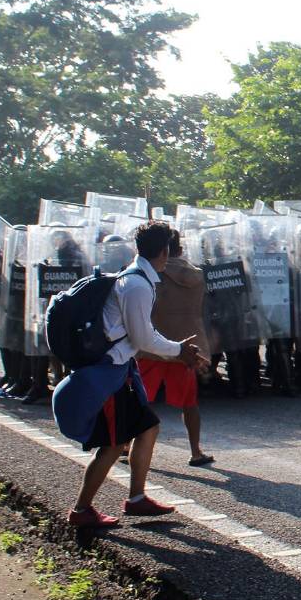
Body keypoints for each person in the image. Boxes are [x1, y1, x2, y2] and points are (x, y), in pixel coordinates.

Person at [52, 221, 208, 529]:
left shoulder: (137, 278)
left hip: (119, 370)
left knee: (147, 428)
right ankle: (82, 509)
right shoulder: (137, 284)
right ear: (165, 251)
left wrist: (176, 350)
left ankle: (136, 498)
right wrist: (180, 351)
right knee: (112, 443)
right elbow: (143, 339)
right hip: (110, 372)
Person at [137, 229, 216, 467]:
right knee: (189, 404)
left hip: (151, 346)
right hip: (184, 348)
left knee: (140, 402)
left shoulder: (147, 274)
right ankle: (195, 451)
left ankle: (126, 447)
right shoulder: (195, 276)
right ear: (179, 249)